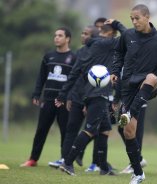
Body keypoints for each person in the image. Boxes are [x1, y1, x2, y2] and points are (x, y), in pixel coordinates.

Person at [111, 4, 157, 184]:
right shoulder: (127, 35)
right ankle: (138, 174)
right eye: (132, 19)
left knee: (152, 77)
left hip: (149, 85)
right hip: (128, 88)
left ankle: (129, 112)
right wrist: (115, 70)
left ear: (147, 17)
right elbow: (118, 53)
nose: (134, 21)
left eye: (137, 18)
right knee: (128, 132)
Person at [57, 20, 126, 176]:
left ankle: (103, 168)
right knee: (89, 130)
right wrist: (117, 23)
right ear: (110, 34)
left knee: (106, 129)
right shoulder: (107, 44)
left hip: (90, 93)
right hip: (100, 94)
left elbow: (75, 73)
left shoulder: (85, 49)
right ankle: (68, 163)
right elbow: (128, 35)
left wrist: (63, 94)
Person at [20, 27, 76, 167]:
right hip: (48, 99)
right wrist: (37, 93)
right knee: (41, 129)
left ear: (67, 38)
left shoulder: (74, 58)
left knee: (65, 131)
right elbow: (41, 77)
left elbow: (75, 80)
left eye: (60, 35)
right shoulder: (48, 56)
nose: (56, 38)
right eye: (55, 35)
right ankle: (33, 159)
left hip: (63, 101)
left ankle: (64, 160)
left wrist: (69, 98)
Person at [48, 25, 98, 169]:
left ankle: (95, 162)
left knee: (95, 130)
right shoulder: (80, 52)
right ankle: (65, 160)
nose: (82, 35)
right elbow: (74, 75)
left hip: (91, 98)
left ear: (93, 37)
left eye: (86, 34)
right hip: (76, 97)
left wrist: (87, 102)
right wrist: (67, 96)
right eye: (82, 33)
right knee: (71, 130)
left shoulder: (100, 53)